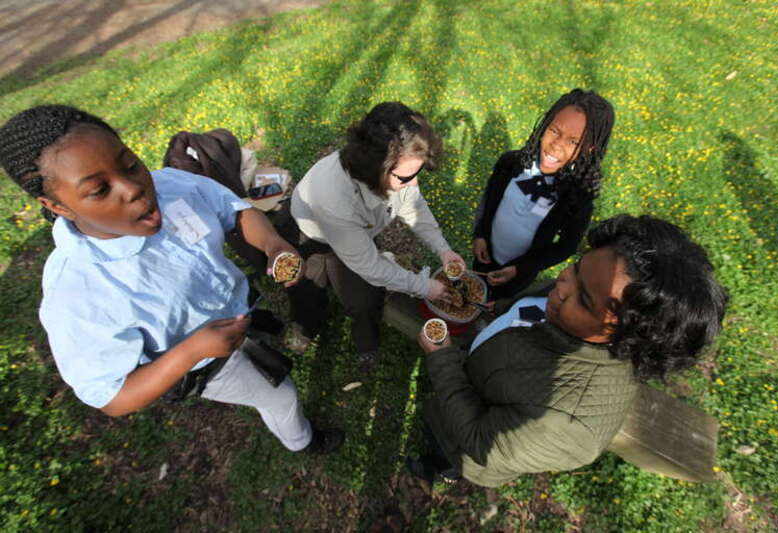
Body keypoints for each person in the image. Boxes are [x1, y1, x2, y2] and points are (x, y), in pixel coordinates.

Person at [0, 105, 342, 454]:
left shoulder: (174, 187)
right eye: (100, 190)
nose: (133, 188)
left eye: (129, 164)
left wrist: (272, 243)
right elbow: (112, 396)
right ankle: (304, 441)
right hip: (208, 364)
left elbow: (235, 212)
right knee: (281, 397)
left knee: (260, 328)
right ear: (57, 206)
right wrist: (192, 351)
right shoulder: (76, 294)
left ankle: (262, 330)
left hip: (237, 308)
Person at [410, 214, 728, 487]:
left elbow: (479, 441)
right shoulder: (579, 297)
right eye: (576, 267)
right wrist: (502, 307)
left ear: (628, 338)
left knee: (444, 448)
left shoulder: (569, 424)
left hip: (463, 445)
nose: (561, 284)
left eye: (584, 299)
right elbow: (532, 305)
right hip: (469, 377)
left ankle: (441, 468)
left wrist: (441, 359)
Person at [280, 102, 465, 363]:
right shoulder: (334, 198)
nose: (414, 184)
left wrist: (442, 248)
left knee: (365, 300)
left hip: (356, 232)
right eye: (405, 178)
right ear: (374, 168)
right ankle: (305, 325)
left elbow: (413, 206)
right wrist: (424, 287)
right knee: (308, 286)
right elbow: (370, 266)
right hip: (311, 233)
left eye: (418, 173)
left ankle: (366, 346)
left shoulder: (398, 170)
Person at [472, 89, 615, 299]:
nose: (556, 145)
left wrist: (521, 269)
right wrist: (481, 235)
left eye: (573, 142)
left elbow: (566, 247)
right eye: (554, 130)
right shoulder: (510, 163)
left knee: (500, 302)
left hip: (519, 273)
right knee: (472, 287)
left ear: (589, 149)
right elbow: (490, 201)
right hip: (485, 254)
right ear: (545, 124)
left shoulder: (577, 199)